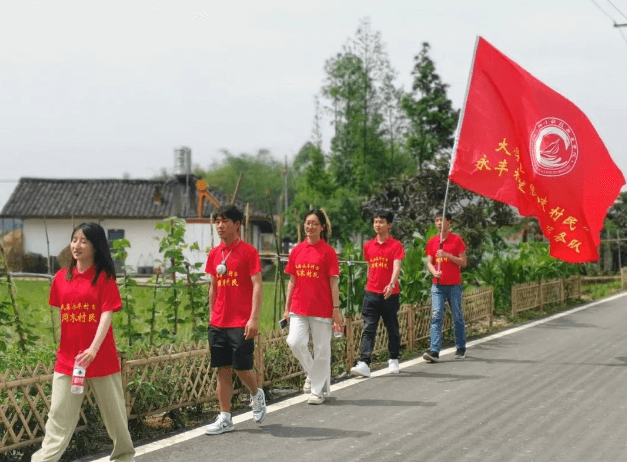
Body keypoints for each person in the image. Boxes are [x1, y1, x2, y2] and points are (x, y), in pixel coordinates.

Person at [32, 223, 135, 462]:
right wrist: (64, 346)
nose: (77, 246)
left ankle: (124, 457)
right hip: (69, 360)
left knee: (115, 417)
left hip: (101, 358)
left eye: (84, 241)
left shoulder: (104, 278)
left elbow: (106, 314)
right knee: (58, 416)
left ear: (95, 247)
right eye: (74, 240)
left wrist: (93, 349)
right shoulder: (60, 278)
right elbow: (62, 315)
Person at [204, 205, 267, 435]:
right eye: (217, 221)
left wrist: (253, 318)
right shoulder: (214, 253)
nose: (220, 226)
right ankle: (225, 417)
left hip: (241, 321)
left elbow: (258, 285)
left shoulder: (249, 252)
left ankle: (255, 393)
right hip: (218, 322)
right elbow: (213, 286)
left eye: (225, 221)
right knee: (222, 368)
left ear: (237, 225)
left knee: (242, 367)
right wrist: (212, 315)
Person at [284, 209, 343, 405]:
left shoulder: (328, 252)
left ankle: (317, 390)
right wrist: (286, 307)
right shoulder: (297, 250)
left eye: (314, 223)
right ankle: (312, 374)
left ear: (322, 227)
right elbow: (292, 281)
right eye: (307, 223)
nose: (310, 226)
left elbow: (333, 283)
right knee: (294, 342)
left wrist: (336, 310)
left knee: (321, 348)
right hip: (298, 306)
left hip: (322, 307)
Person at [350, 211, 405, 378]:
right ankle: (365, 362)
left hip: (390, 293)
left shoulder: (396, 246)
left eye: (381, 222)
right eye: (375, 222)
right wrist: (369, 283)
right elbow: (369, 266)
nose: (377, 225)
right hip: (371, 293)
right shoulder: (368, 246)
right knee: (368, 328)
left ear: (389, 225)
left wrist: (391, 283)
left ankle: (393, 358)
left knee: (392, 327)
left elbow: (396, 267)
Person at [423, 213, 467, 363]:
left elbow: (463, 262)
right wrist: (434, 271)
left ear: (449, 222)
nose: (439, 223)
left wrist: (448, 255)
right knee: (436, 316)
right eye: (436, 220)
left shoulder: (456, 240)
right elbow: (429, 262)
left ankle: (460, 346)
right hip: (438, 285)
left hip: (454, 285)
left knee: (457, 316)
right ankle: (434, 351)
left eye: (442, 220)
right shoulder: (432, 242)